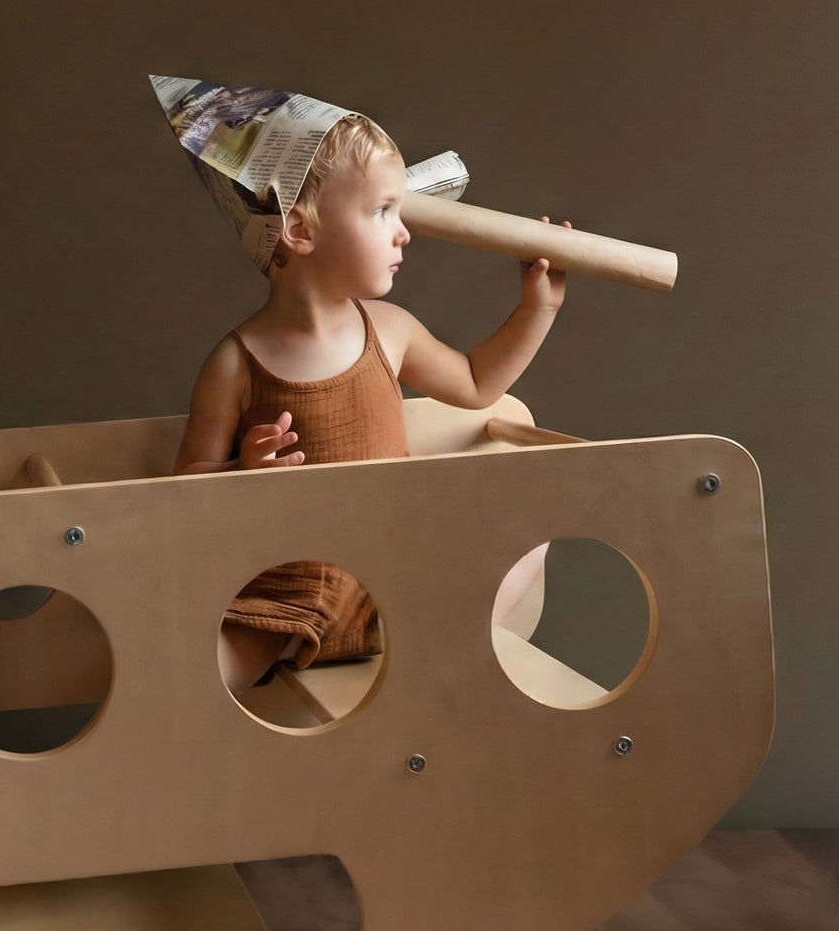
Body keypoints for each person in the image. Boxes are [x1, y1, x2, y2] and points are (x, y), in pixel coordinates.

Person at [169, 109, 566, 698]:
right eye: (383, 211)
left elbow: (478, 383)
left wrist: (539, 308)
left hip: (397, 578)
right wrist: (240, 472)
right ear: (299, 230)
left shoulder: (391, 330)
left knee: (531, 532)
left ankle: (443, 645)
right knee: (190, 684)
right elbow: (182, 486)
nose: (403, 233)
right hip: (290, 596)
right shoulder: (235, 362)